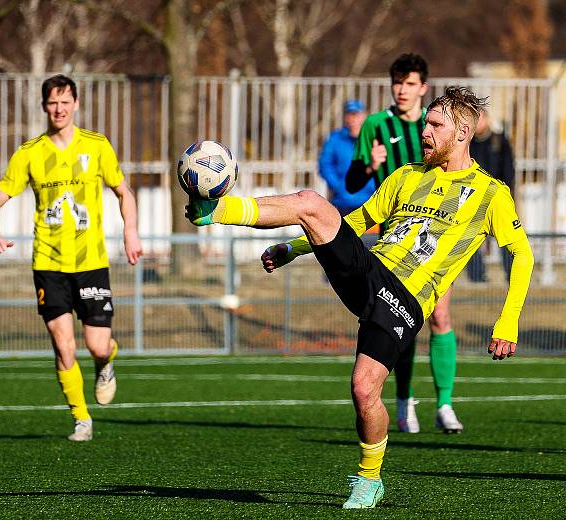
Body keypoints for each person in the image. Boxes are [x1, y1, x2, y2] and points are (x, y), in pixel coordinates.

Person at [185, 86, 534, 508]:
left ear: (463, 133)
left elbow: (522, 254)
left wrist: (508, 319)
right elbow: (354, 221)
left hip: (407, 302)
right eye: (425, 122)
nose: (424, 131)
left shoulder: (490, 193)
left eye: (435, 125)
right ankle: (215, 212)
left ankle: (370, 480)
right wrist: (292, 249)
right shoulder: (406, 176)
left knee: (364, 390)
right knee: (311, 202)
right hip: (373, 274)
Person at [0, 74, 143, 442]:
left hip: (90, 261)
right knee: (63, 345)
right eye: (52, 103)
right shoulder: (30, 153)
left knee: (96, 345)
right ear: (44, 106)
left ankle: (107, 360)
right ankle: (81, 418)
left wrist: (130, 230)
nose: (59, 108)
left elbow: (124, 192)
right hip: (48, 263)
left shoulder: (97, 146)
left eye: (65, 101)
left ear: (76, 104)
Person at [346, 53, 463, 435]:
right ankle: (404, 400)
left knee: (441, 318)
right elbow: (350, 183)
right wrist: (367, 164)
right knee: (402, 322)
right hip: (393, 241)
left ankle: (444, 403)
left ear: (423, 88)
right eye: (397, 82)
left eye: (410, 83)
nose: (402, 89)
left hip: (435, 241)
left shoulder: (438, 125)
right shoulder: (376, 125)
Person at [466, 110, 516, 281]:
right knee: (469, 238)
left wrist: (504, 195)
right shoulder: (468, 143)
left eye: (479, 118)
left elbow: (509, 170)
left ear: (487, 119)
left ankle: (512, 275)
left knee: (508, 239)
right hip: (473, 199)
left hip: (498, 198)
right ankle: (478, 278)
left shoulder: (499, 140)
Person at [318, 100, 374, 217]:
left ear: (365, 116)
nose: (353, 119)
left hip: (371, 202)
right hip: (343, 202)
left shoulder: (374, 138)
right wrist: (339, 186)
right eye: (350, 114)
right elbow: (325, 165)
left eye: (357, 115)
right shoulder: (335, 139)